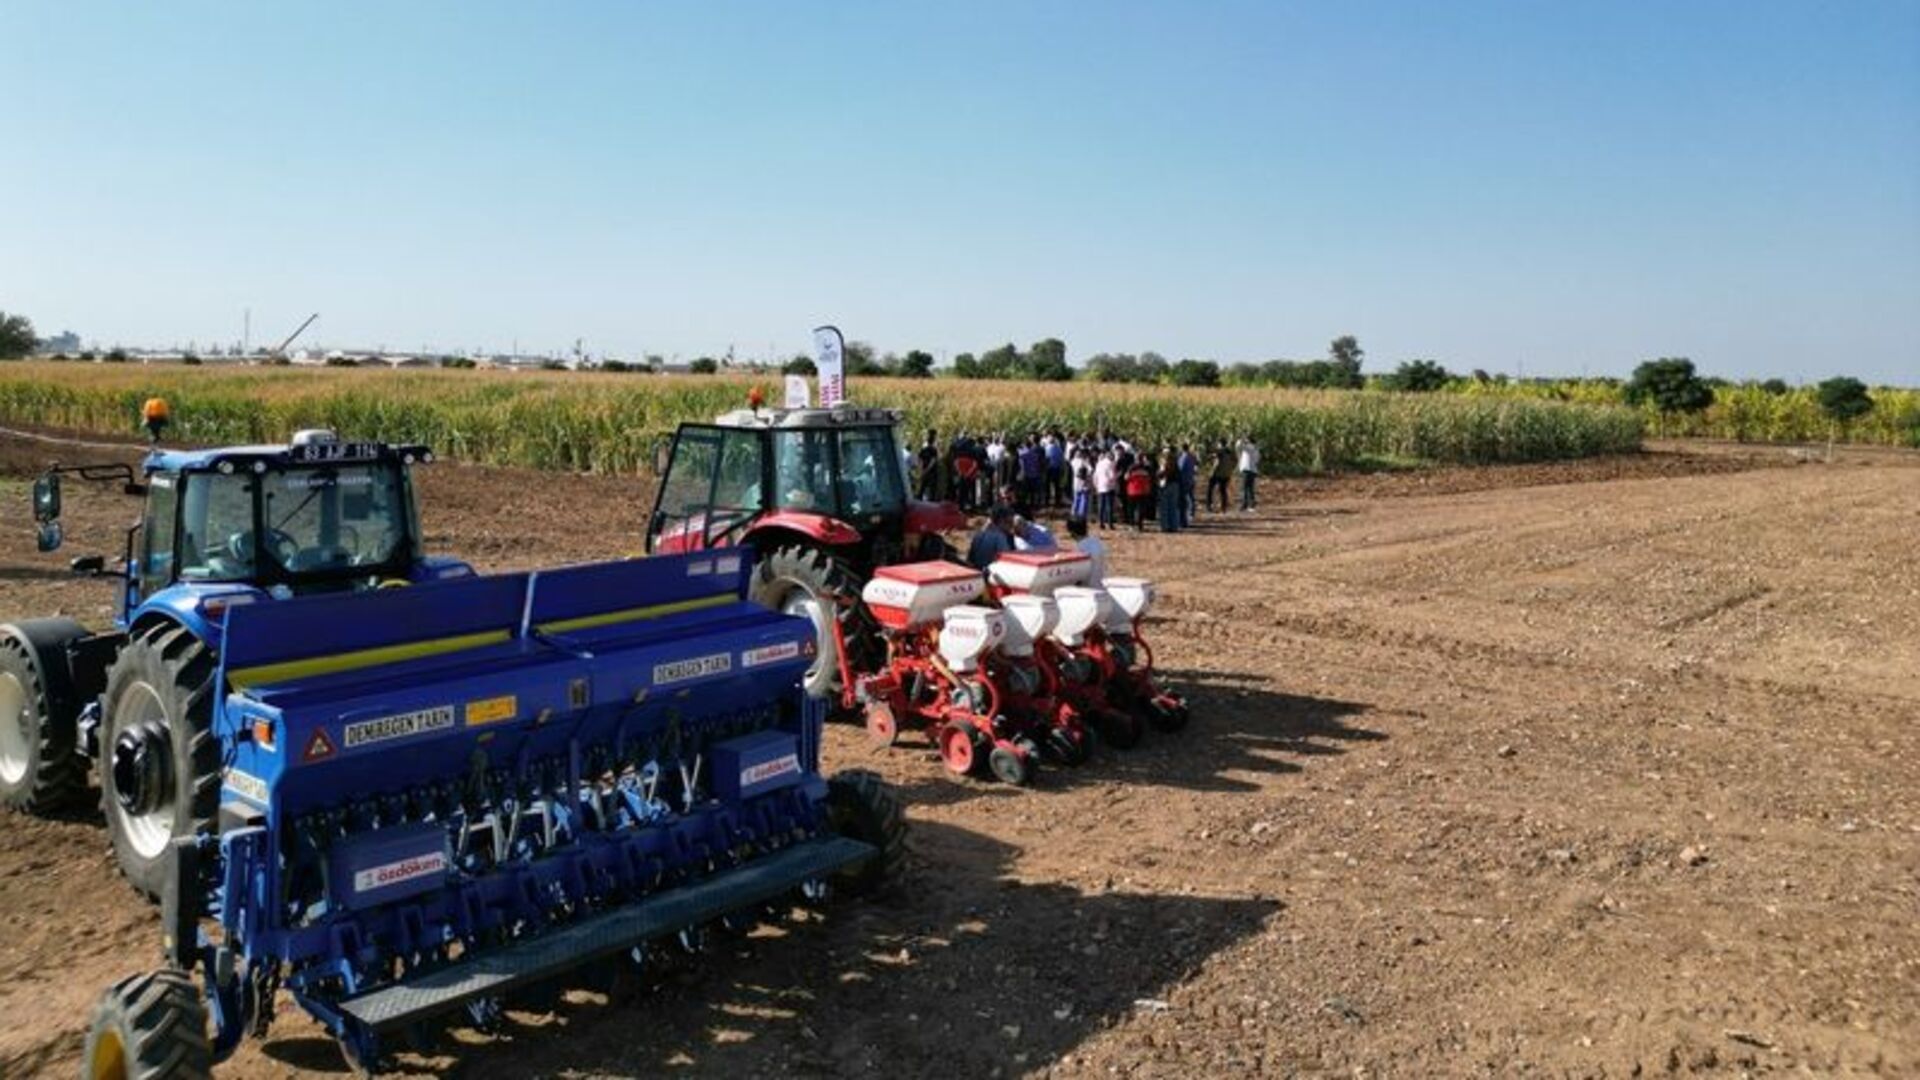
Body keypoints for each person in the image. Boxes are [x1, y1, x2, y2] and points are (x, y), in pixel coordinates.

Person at [967, 504, 1017, 570]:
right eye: (1010, 522)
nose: (1012, 525)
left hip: (977, 575)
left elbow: (970, 561)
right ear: (1001, 521)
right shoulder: (1005, 537)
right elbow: (1011, 564)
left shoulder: (978, 535)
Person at [1065, 516, 1107, 585]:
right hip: (1101, 584)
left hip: (1089, 589)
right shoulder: (1098, 542)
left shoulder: (1080, 549)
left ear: (1072, 533)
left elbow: (1078, 578)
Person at [1124, 455, 1153, 531]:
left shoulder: (1131, 467)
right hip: (1143, 491)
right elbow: (1150, 478)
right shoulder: (1147, 468)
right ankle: (1140, 526)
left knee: (1131, 509)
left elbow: (1126, 477)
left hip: (1132, 490)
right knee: (1141, 510)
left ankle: (1131, 525)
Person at [1157, 448, 1182, 533]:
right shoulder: (1176, 463)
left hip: (1165, 485)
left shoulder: (1164, 463)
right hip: (1175, 486)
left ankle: (1164, 526)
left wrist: (1157, 475)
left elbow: (1162, 473)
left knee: (1164, 507)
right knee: (1173, 507)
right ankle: (1174, 526)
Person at [1093, 449, 1117, 529]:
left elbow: (1095, 475)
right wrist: (1117, 476)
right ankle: (1110, 524)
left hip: (1100, 486)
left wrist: (1096, 485)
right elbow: (1112, 476)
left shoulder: (1099, 463)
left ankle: (1101, 523)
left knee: (1101, 506)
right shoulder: (1110, 464)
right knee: (1109, 506)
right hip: (1109, 486)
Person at [1236, 434, 1260, 512]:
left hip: (1247, 469)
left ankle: (1245, 504)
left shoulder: (1248, 448)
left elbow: (1238, 445)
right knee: (1250, 488)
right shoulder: (1256, 449)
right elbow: (1257, 460)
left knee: (1244, 488)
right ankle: (1251, 504)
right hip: (1253, 470)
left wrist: (1241, 439)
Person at [1206, 441, 1233, 512]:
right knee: (1223, 491)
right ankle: (1224, 507)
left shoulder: (1220, 451)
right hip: (1226, 474)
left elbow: (1216, 462)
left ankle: (1209, 505)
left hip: (1218, 474)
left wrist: (1212, 472)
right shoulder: (1229, 451)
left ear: (1220, 444)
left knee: (1210, 489)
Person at [1176, 442, 1198, 527]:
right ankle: (1191, 513)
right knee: (1191, 497)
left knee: (1184, 500)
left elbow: (1180, 468)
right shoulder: (1192, 456)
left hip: (1184, 480)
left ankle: (1185, 518)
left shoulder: (1183, 457)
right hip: (1191, 479)